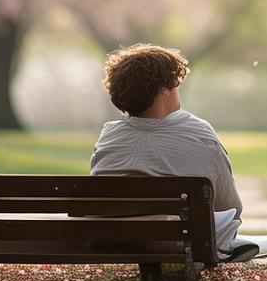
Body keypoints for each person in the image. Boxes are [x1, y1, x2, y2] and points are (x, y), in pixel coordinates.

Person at [90, 43, 253, 258]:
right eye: (176, 85)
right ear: (162, 92)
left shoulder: (109, 136)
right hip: (184, 242)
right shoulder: (199, 131)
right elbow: (230, 207)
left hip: (116, 240)